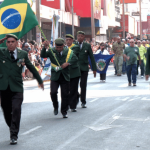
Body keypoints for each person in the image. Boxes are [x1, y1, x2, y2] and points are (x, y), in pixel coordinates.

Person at [0, 34, 44, 145]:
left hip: (17, 87)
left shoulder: (23, 54)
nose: (10, 44)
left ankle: (14, 135)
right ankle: (12, 126)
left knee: (16, 109)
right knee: (6, 111)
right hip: (4, 87)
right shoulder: (2, 52)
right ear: (6, 43)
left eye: (12, 42)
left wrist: (40, 80)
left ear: (17, 43)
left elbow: (31, 67)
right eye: (8, 42)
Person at [41, 38, 78, 118]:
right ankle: (55, 106)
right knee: (53, 92)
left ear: (63, 46)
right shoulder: (51, 51)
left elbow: (75, 59)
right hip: (55, 76)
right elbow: (43, 55)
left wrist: (68, 63)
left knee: (65, 94)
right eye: (57, 47)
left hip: (65, 76)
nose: (58, 49)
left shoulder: (68, 52)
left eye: (60, 47)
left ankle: (64, 111)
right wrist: (45, 47)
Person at [75, 31, 97, 108]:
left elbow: (91, 57)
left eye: (81, 36)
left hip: (84, 68)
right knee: (74, 85)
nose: (80, 37)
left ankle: (83, 101)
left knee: (83, 85)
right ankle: (77, 96)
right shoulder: (73, 45)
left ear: (84, 37)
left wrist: (94, 68)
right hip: (75, 68)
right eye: (78, 36)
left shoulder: (87, 45)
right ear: (77, 37)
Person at [65, 34, 81, 112]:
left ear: (72, 40)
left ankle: (72, 106)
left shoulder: (75, 47)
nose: (68, 41)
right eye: (66, 40)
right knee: (68, 89)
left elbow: (71, 55)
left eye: (69, 40)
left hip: (74, 72)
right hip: (66, 72)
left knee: (73, 89)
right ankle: (73, 99)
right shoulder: (64, 48)